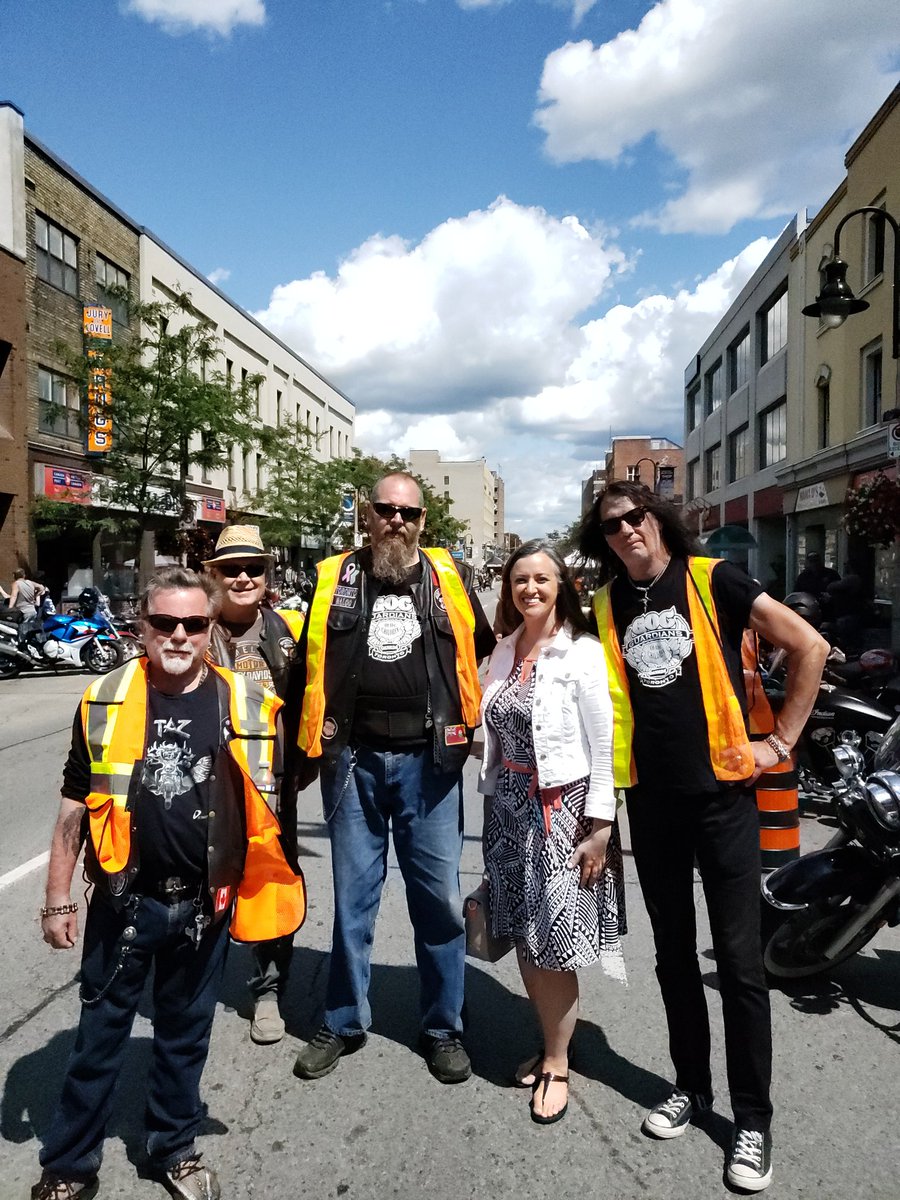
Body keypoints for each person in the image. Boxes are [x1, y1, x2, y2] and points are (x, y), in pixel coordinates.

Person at [578, 483, 828, 1193]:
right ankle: (692, 1086)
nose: (627, 532)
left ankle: (752, 1119)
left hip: (723, 801)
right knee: (673, 960)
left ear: (659, 521)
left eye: (636, 518)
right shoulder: (605, 606)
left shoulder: (713, 577)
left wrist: (778, 743)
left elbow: (808, 645)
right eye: (612, 527)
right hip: (652, 805)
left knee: (742, 968)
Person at [32, 567, 306, 1200]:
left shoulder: (245, 702)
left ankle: (173, 1148)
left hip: (203, 903)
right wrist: (57, 896)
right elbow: (76, 800)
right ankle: (70, 1165)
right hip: (124, 901)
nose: (179, 635)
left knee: (185, 1038)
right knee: (99, 1039)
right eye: (165, 623)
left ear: (211, 629)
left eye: (194, 623)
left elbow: (273, 800)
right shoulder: (104, 696)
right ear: (141, 628)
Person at [284, 472, 495, 1084]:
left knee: (439, 904)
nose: (396, 521)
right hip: (351, 762)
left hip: (431, 765)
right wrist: (300, 757)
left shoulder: (448, 580)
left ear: (423, 522)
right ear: (367, 516)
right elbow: (306, 671)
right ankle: (343, 1019)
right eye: (385, 510)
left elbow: (478, 649)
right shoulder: (332, 578)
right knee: (352, 901)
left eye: (408, 512)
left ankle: (443, 1027)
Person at [478, 539, 625, 1125]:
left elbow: (605, 742)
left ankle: (558, 1061)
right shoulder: (505, 649)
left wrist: (601, 825)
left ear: (561, 585)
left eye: (542, 579)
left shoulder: (581, 652)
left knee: (555, 942)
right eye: (520, 580)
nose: (530, 589)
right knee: (523, 933)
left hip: (560, 813)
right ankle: (550, 1041)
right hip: (506, 812)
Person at [203, 525, 306, 1046]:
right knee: (202, 884)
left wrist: (301, 772)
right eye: (230, 568)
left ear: (268, 575)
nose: (243, 577)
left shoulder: (289, 632)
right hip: (206, 790)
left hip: (272, 791)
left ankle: (268, 992)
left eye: (253, 568)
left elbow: (312, 704)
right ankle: (193, 986)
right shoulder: (192, 630)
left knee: (268, 887)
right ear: (213, 575)